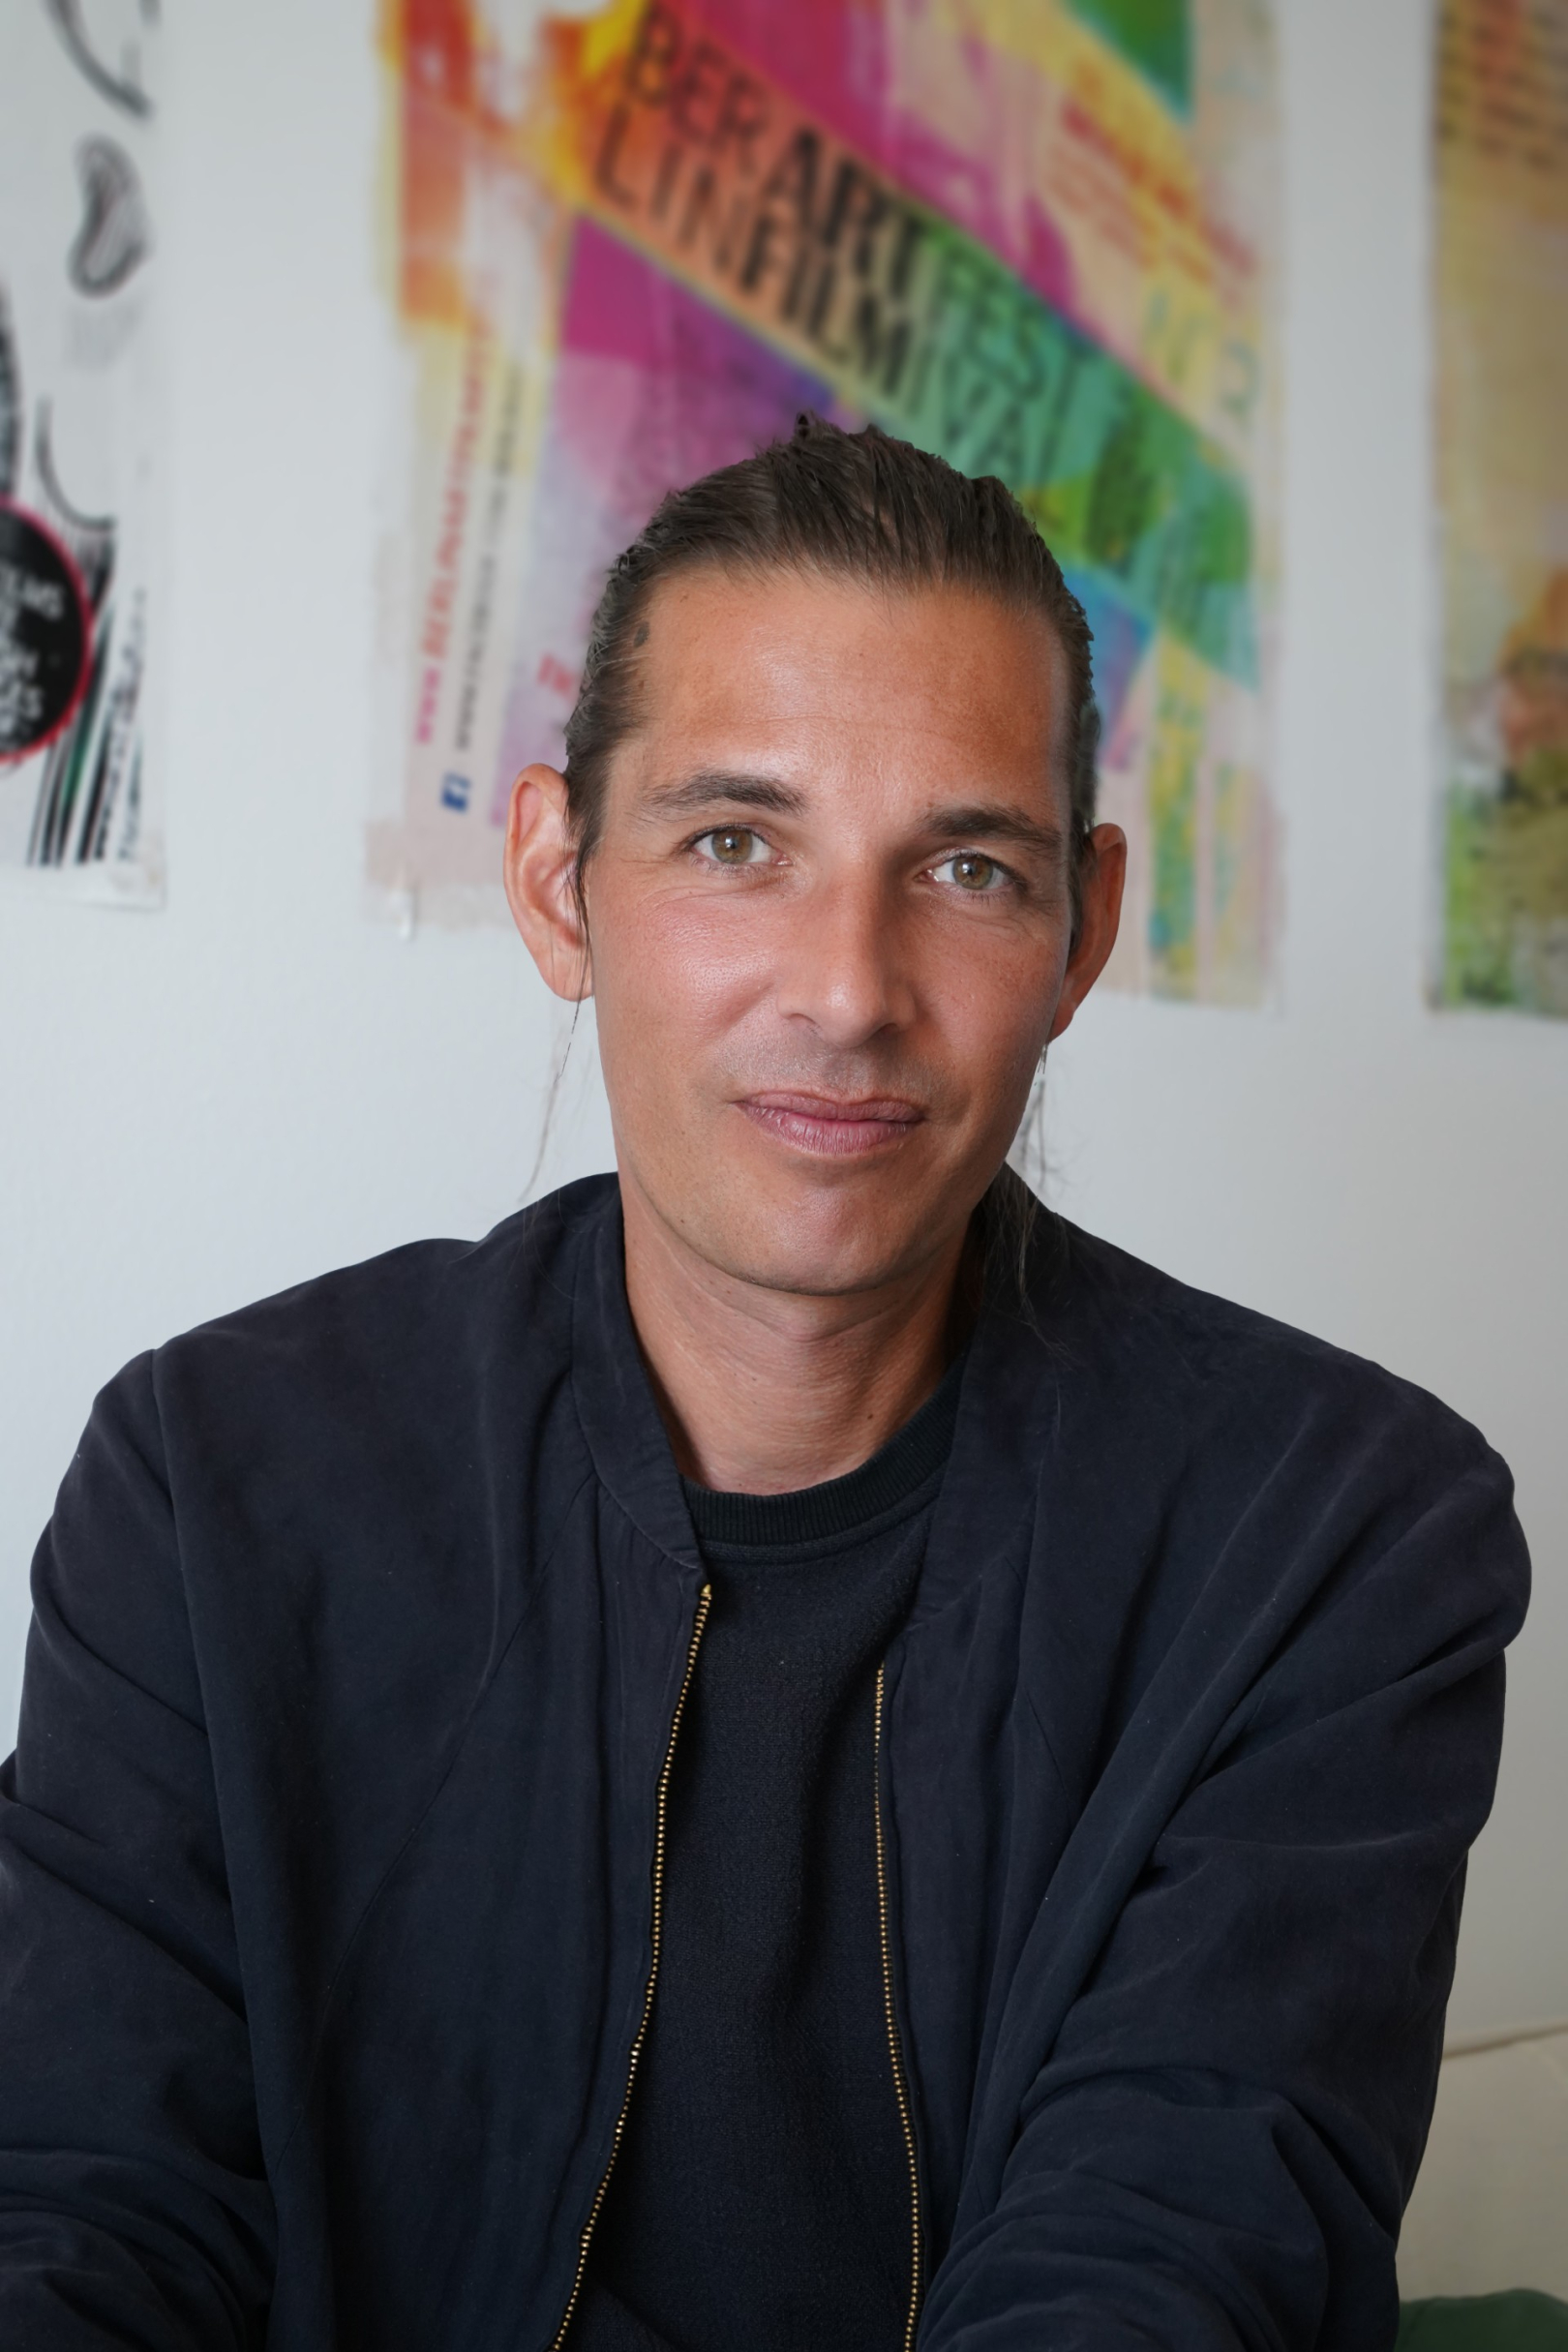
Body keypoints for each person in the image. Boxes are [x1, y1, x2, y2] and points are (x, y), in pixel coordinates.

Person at [0, 418, 1528, 2352]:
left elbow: (1167, 2267)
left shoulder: (1336, 1535)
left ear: (1081, 930)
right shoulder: (212, 1484)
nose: (848, 989)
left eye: (966, 867)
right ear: (558, 881)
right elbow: (86, 2211)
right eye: (737, 843)